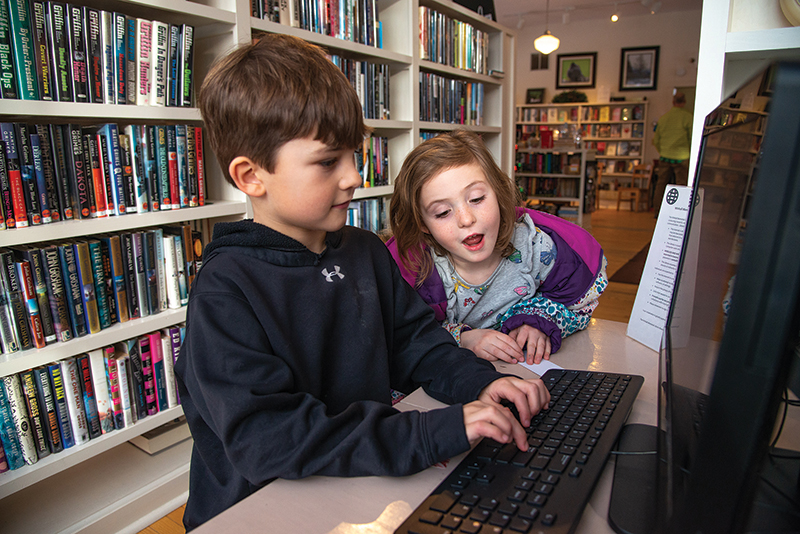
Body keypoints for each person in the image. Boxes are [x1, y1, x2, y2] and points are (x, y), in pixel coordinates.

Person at [174, 34, 551, 531]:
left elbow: (418, 346)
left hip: (356, 492)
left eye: (354, 154)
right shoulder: (226, 290)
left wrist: (485, 384)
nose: (354, 175)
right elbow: (269, 439)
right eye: (328, 161)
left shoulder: (363, 250)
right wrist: (425, 434)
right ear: (250, 176)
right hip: (261, 512)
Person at [387, 130, 607, 367]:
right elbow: (400, 337)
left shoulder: (534, 246)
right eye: (442, 213)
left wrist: (537, 320)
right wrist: (461, 339)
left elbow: (580, 303)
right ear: (423, 224)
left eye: (477, 199)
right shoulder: (417, 270)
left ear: (498, 192)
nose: (466, 219)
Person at [651, 91, 693, 215]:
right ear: (684, 102)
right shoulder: (688, 117)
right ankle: (680, 212)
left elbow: (656, 140)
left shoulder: (664, 118)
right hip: (682, 156)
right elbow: (692, 138)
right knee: (682, 185)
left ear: (673, 102)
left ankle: (657, 211)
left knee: (661, 184)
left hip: (665, 156)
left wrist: (663, 151)